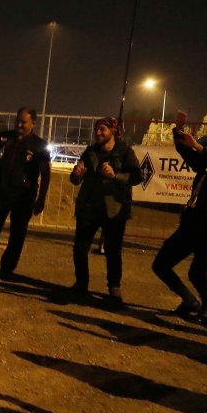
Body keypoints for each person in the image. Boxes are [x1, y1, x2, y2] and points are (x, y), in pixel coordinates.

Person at [152, 117, 207, 324]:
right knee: (161, 265)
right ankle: (189, 301)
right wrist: (178, 129)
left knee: (197, 273)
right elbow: (184, 151)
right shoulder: (206, 167)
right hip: (190, 226)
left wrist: (199, 147)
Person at [0, 106, 51, 276]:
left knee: (17, 234)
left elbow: (46, 174)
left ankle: (7, 268)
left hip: (23, 196)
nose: (19, 125)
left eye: (23, 122)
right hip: (0, 191)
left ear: (33, 123)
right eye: (17, 121)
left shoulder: (39, 145)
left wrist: (41, 199)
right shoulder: (4, 137)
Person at [69, 116, 143, 305]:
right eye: (96, 129)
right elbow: (76, 179)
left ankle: (114, 287)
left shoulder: (125, 152)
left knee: (113, 251)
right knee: (80, 248)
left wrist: (115, 175)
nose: (98, 133)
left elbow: (137, 177)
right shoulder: (90, 151)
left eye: (102, 129)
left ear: (113, 131)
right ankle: (81, 283)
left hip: (114, 209)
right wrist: (76, 174)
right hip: (89, 207)